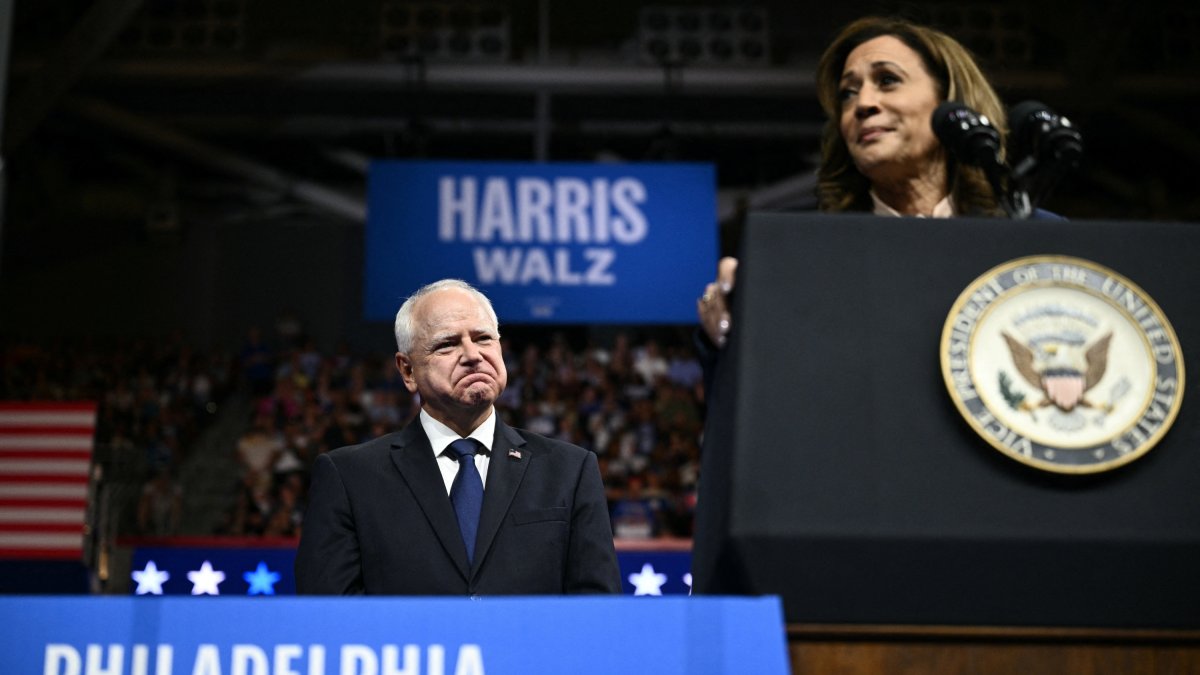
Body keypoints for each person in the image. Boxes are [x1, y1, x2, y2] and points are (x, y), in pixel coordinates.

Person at [698, 16, 1034, 348]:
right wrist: (730, 328)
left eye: (887, 80)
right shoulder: (800, 265)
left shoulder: (1035, 241)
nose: (863, 104)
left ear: (951, 104)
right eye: (848, 93)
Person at [295, 279, 621, 595]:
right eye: (448, 344)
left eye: (483, 338)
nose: (472, 355)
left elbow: (598, 613)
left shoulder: (570, 470)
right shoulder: (350, 477)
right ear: (407, 370)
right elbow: (328, 621)